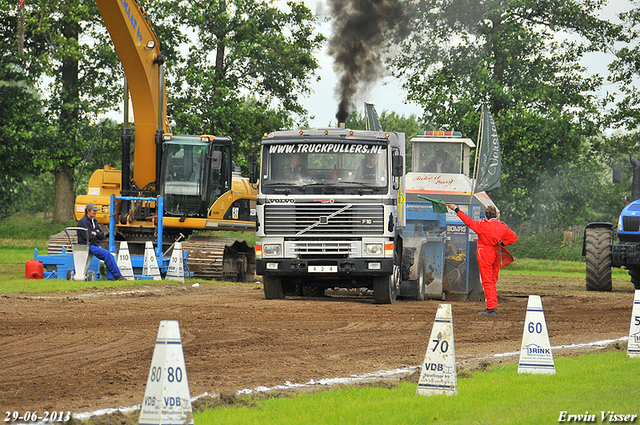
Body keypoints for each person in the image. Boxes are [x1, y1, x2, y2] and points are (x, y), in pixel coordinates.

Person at [445, 203, 517, 317]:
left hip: (484, 254)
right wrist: (504, 243)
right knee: (492, 281)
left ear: (486, 215)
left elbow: (468, 221)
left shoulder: (482, 226)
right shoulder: (502, 227)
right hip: (496, 254)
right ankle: (492, 305)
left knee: (487, 282)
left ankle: (491, 308)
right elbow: (513, 237)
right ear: (496, 215)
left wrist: (456, 209)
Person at [77, 203, 126, 281]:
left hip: (94, 244)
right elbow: (88, 237)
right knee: (108, 255)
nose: (95, 212)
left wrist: (95, 233)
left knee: (109, 256)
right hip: (88, 245)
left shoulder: (94, 221)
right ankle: (118, 276)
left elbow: (102, 235)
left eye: (96, 211)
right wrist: (96, 233)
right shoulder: (82, 222)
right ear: (88, 211)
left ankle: (111, 278)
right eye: (94, 211)